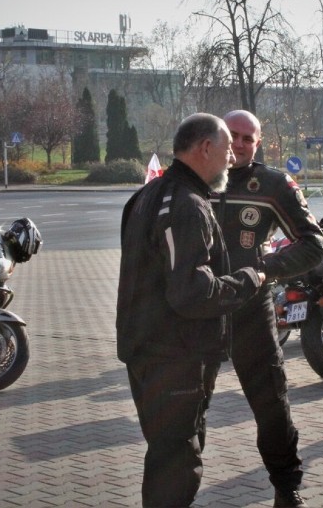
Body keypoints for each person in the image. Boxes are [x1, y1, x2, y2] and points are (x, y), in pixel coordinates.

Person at [116, 113, 265, 508]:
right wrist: (247, 280)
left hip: (150, 352)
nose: (232, 158)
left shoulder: (147, 195)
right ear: (205, 148)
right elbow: (191, 293)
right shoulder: (188, 204)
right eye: (228, 148)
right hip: (175, 357)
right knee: (177, 462)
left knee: (167, 455)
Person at [214, 110, 323, 508]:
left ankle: (286, 487)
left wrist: (264, 269)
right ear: (218, 136)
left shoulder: (273, 185)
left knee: (271, 404)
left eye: (248, 137)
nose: (239, 144)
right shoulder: (191, 180)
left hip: (249, 308)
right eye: (233, 135)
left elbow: (314, 244)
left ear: (258, 143)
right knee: (180, 404)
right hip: (197, 310)